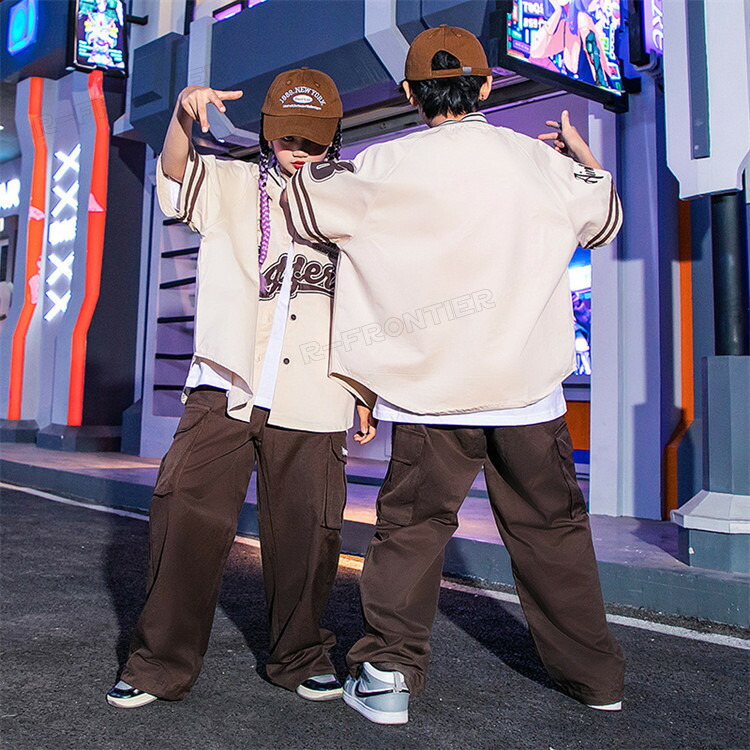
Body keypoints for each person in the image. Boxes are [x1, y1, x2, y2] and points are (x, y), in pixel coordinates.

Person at [284, 26, 624, 725]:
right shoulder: (539, 163)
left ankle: (388, 677)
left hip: (428, 397)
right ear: (487, 86)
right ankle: (595, 679)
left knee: (412, 530)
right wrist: (582, 160)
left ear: (411, 94)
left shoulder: (383, 165)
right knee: (553, 531)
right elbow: (604, 219)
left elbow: (303, 205)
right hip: (528, 397)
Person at [106, 68, 376, 709]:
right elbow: (176, 176)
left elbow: (372, 298)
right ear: (267, 132)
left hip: (318, 388)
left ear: (333, 137)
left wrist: (366, 391)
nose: (298, 150)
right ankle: (158, 665)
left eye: (312, 139)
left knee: (309, 533)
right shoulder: (231, 182)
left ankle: (299, 655)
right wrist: (180, 115)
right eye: (287, 136)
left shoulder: (354, 200)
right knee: (184, 514)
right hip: (225, 382)